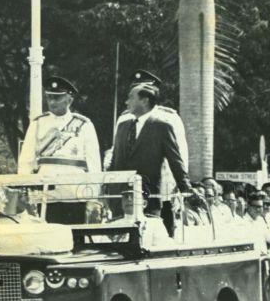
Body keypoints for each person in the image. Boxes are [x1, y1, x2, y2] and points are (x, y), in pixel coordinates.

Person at [108, 76, 192, 232]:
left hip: (148, 195)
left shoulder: (162, 125)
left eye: (131, 98)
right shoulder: (123, 125)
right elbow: (114, 160)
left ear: (144, 100)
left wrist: (185, 188)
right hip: (120, 197)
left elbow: (175, 159)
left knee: (150, 236)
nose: (126, 102)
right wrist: (106, 187)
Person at [18, 76, 101, 224]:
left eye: (57, 98)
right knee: (48, 238)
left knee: (76, 239)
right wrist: (25, 190)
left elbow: (94, 164)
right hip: (46, 193)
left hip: (75, 192)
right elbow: (26, 160)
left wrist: (93, 196)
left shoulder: (84, 125)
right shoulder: (38, 124)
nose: (52, 102)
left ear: (69, 100)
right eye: (49, 98)